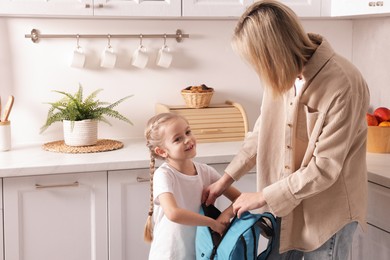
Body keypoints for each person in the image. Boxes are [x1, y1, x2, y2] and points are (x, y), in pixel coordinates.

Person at [202, 1, 370, 259]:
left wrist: (261, 196)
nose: (259, 69)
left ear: (275, 52)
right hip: (287, 207)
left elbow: (324, 169)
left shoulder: (343, 84)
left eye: (259, 60)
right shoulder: (280, 73)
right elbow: (261, 134)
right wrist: (226, 179)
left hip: (327, 215)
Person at [143, 112, 241, 260]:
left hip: (199, 252)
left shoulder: (206, 171)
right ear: (162, 151)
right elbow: (173, 213)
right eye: (177, 139)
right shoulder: (164, 175)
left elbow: (239, 199)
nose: (188, 139)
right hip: (170, 254)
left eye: (188, 132)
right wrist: (212, 223)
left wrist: (226, 215)